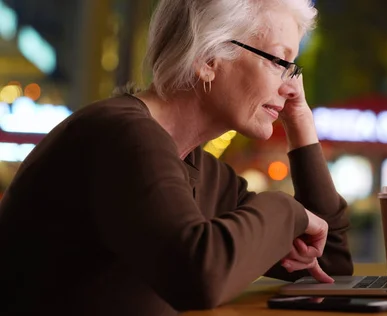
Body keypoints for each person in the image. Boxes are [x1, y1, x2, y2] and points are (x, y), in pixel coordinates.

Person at [0, 0, 353, 315]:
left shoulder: (199, 169)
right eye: (279, 61)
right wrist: (287, 211)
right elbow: (197, 277)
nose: (290, 88)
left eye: (293, 69)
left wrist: (301, 122)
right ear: (207, 59)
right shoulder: (120, 136)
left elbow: (327, 264)